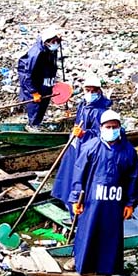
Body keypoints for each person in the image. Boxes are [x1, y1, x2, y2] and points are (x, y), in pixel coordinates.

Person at [66, 109, 138, 275]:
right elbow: (79, 173)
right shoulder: (90, 147)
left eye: (115, 127)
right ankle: (82, 264)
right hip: (92, 201)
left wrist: (130, 203)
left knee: (111, 235)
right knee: (87, 232)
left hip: (115, 202)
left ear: (120, 127)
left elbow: (133, 178)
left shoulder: (129, 151)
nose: (111, 130)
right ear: (101, 127)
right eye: (108, 127)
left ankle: (108, 269)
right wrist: (76, 199)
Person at [51, 73, 113, 215]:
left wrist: (84, 134)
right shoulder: (83, 104)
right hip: (75, 145)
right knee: (68, 175)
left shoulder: (101, 112)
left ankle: (77, 213)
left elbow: (101, 135)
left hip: (86, 150)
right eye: (87, 90)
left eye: (93, 90)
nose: (90, 93)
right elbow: (78, 121)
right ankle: (67, 204)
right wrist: (76, 132)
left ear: (99, 91)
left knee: (80, 179)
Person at [17, 25, 63, 133]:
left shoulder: (51, 50)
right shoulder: (36, 54)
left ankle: (37, 123)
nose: (56, 43)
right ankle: (32, 125)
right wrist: (33, 92)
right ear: (46, 41)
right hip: (34, 83)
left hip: (45, 80)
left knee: (44, 102)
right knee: (35, 105)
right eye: (53, 41)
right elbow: (27, 75)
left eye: (57, 41)